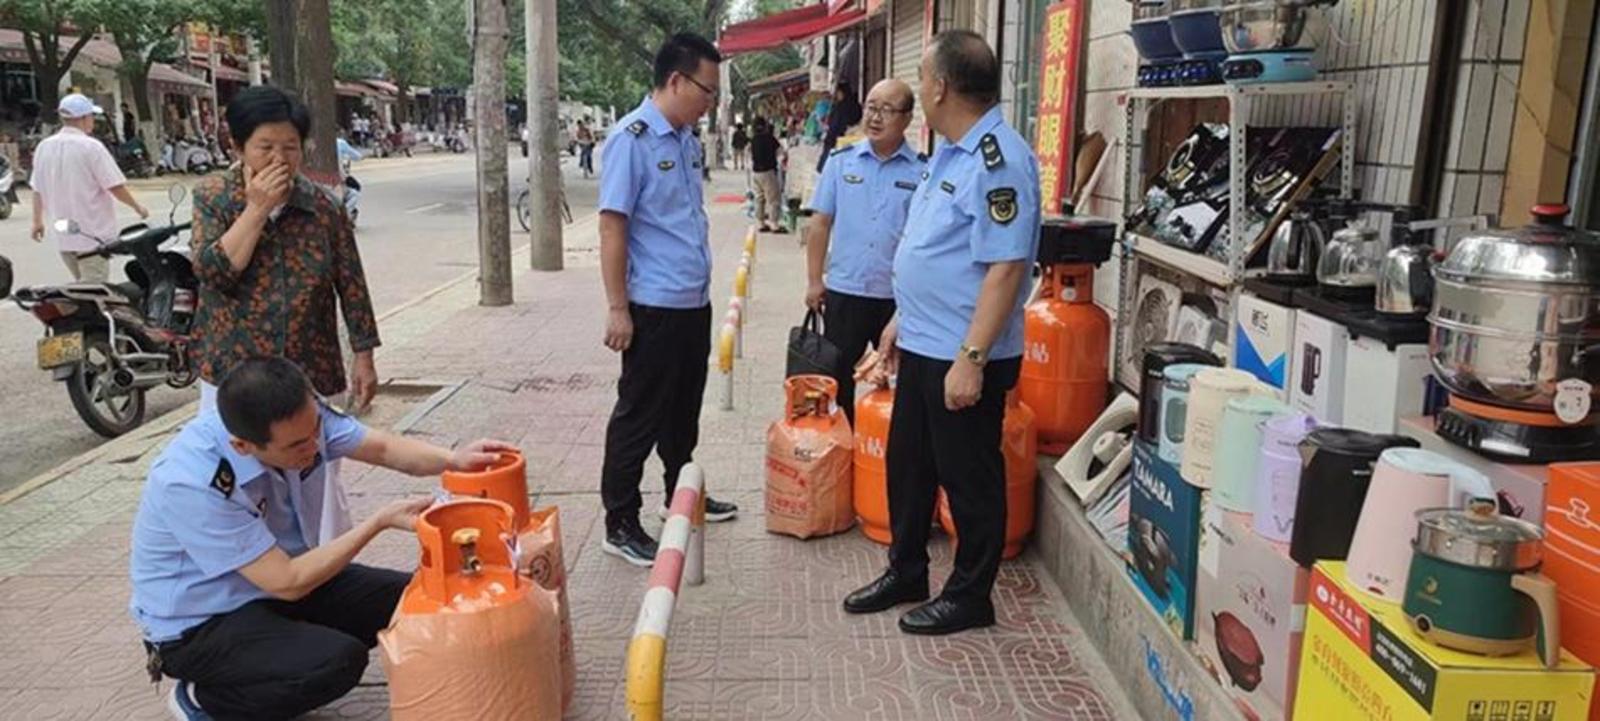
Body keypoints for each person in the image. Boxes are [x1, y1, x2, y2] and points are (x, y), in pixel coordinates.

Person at [130, 356, 513, 720]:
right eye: (297, 445)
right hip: (202, 625)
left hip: (274, 586)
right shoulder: (191, 482)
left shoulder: (301, 419)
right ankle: (206, 699)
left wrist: (454, 459)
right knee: (335, 662)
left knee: (414, 600)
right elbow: (287, 582)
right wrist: (378, 522)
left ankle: (282, 654)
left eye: (316, 432)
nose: (314, 446)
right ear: (243, 446)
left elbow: (382, 447)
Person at [842, 31, 1041, 636]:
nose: (921, 86)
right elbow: (936, 250)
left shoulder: (999, 160)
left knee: (969, 478)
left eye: (924, 75)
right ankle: (906, 571)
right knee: (910, 467)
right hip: (924, 343)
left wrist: (972, 359)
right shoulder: (951, 152)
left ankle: (970, 596)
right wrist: (902, 317)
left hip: (963, 352)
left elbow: (1006, 268)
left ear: (940, 87)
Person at [190, 85, 383, 544]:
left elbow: (351, 283)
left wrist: (364, 355)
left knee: (314, 478)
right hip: (232, 371)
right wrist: (257, 209)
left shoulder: (322, 206)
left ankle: (321, 565)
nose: (279, 159)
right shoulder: (214, 197)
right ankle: (253, 568)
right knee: (236, 482)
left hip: (308, 368)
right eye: (266, 147)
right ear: (237, 146)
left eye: (290, 147)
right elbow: (214, 273)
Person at [597, 32, 739, 567]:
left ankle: (680, 493)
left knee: (684, 410)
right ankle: (619, 522)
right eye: (707, 91)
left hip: (691, 302)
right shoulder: (630, 140)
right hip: (652, 306)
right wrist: (618, 308)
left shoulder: (685, 140)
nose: (711, 102)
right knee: (639, 415)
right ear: (677, 80)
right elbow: (613, 227)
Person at [803, 79, 925, 425]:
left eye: (886, 109)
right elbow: (820, 223)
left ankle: (886, 449)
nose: (875, 117)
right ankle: (843, 447)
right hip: (846, 292)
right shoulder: (841, 162)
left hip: (898, 299)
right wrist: (814, 281)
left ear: (907, 118)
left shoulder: (922, 171)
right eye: (871, 107)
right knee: (837, 383)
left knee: (900, 384)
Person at [29, 93, 149, 282]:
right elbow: (114, 185)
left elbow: (37, 189)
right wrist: (137, 206)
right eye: (92, 116)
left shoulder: (44, 147)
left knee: (82, 287)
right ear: (84, 118)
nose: (93, 120)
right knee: (94, 290)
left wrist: (37, 221)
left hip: (64, 237)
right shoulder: (91, 147)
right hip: (92, 237)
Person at [817, 83, 863, 173]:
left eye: (838, 93)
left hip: (837, 137)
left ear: (843, 93)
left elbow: (835, 124)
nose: (837, 95)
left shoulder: (840, 107)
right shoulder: (856, 105)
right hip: (852, 136)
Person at [749, 118, 784, 233]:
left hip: (756, 173)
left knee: (759, 198)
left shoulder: (753, 139)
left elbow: (749, 153)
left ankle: (761, 223)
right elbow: (781, 152)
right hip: (768, 171)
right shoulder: (770, 138)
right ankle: (774, 224)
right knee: (773, 198)